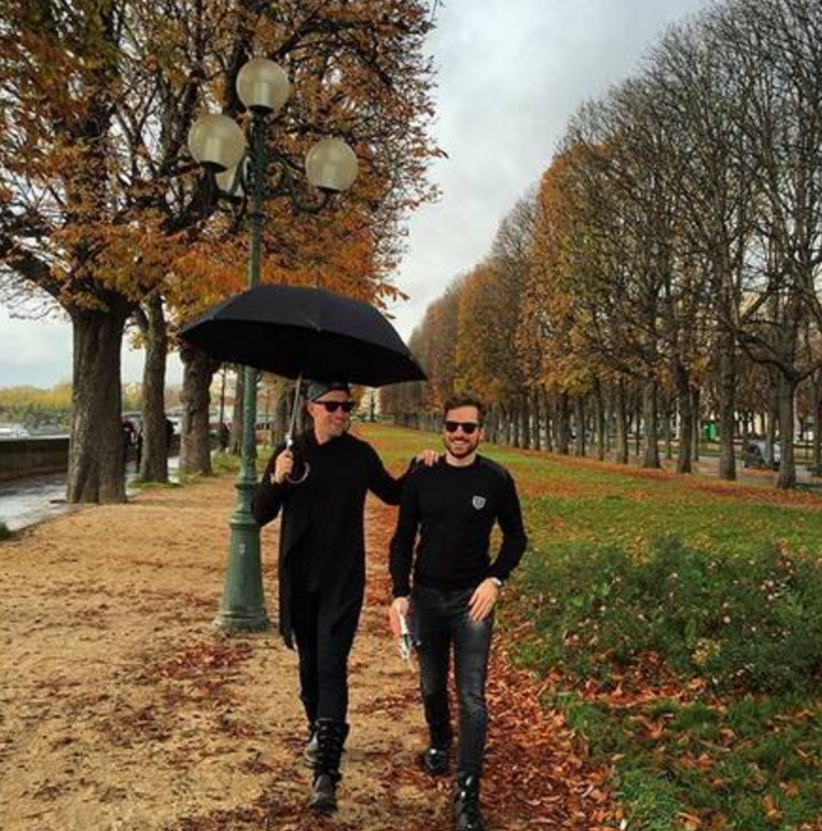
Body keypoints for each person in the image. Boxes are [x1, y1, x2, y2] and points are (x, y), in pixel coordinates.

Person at [252, 380, 436, 814]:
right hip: (300, 579)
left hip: (343, 580)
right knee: (310, 669)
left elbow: (393, 492)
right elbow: (259, 513)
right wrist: (276, 479)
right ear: (311, 408)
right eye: (332, 406)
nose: (341, 413)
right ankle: (320, 731)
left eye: (346, 406)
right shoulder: (290, 453)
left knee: (332, 666)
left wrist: (420, 465)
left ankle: (326, 775)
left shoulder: (359, 455)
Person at [388, 394, 527, 831]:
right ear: (443, 428)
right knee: (431, 684)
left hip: (472, 601)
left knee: (472, 697)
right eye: (452, 426)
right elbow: (402, 538)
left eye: (468, 427)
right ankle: (439, 742)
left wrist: (495, 580)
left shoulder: (496, 479)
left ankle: (467, 792)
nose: (459, 434)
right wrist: (400, 592)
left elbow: (516, 538)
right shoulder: (422, 475)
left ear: (481, 432)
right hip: (426, 598)